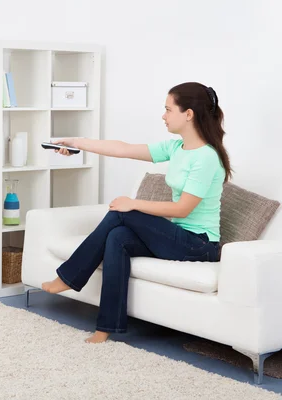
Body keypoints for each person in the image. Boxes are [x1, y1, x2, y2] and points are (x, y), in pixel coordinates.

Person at [41, 82, 232, 344]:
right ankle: (106, 327)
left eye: (168, 110)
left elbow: (182, 208)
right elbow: (123, 149)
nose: (163, 116)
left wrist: (134, 203)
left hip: (199, 244)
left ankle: (69, 276)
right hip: (177, 237)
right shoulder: (176, 148)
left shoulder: (207, 157)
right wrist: (75, 142)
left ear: (188, 114)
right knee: (118, 236)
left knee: (121, 213)